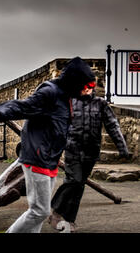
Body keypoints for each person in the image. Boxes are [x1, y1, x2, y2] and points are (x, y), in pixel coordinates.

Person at [0, 57, 96, 233]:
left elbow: (62, 126)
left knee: (39, 211)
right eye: (87, 87)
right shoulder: (50, 93)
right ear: (74, 82)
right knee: (40, 211)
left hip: (51, 159)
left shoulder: (68, 98)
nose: (89, 92)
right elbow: (19, 107)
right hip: (37, 158)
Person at [49, 80, 129, 232]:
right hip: (73, 150)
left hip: (91, 152)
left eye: (89, 87)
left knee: (79, 186)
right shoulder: (70, 102)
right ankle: (56, 211)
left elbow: (112, 125)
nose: (86, 90)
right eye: (83, 87)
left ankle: (70, 220)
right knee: (73, 180)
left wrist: (122, 147)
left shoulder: (101, 104)